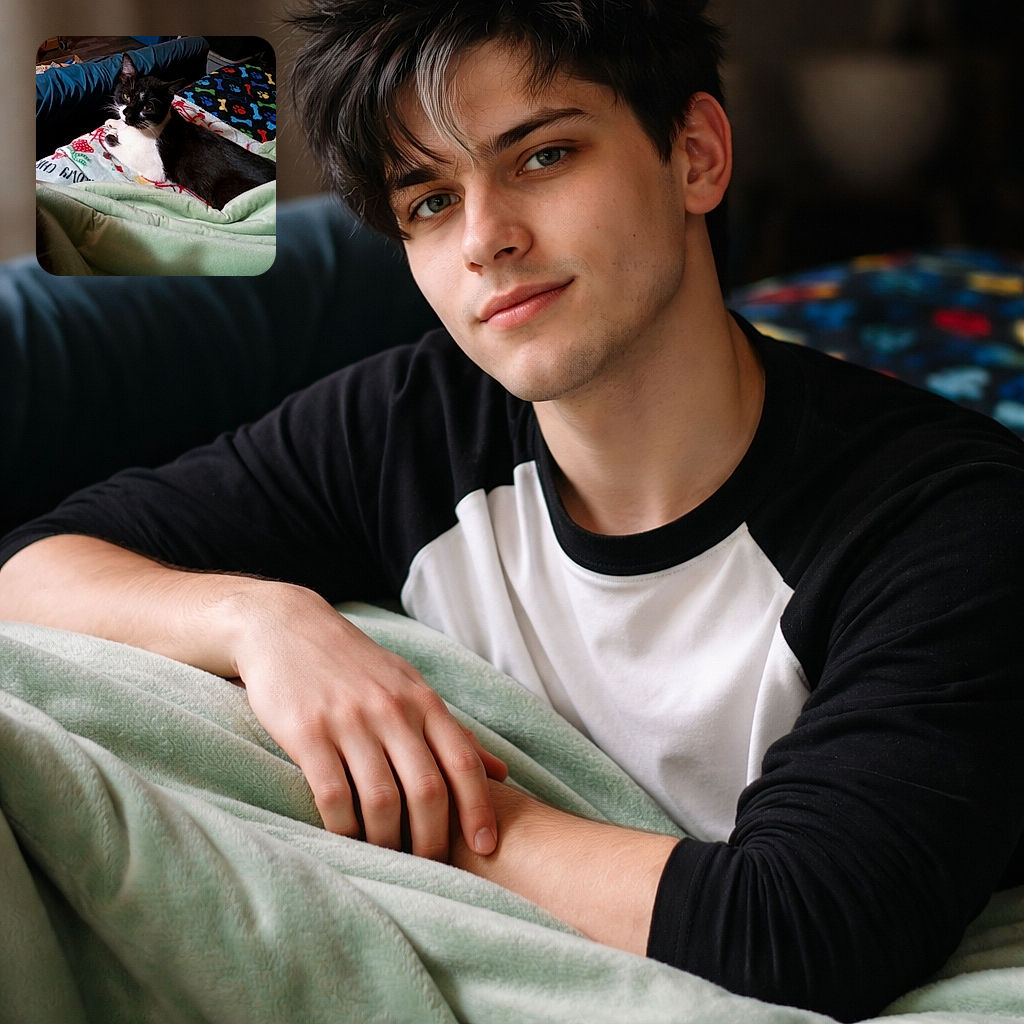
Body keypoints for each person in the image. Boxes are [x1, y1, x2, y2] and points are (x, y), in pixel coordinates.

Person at [2, 1, 1023, 1019]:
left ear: (697, 157)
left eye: (541, 158)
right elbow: (34, 567)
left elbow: (803, 929)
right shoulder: (410, 421)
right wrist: (259, 619)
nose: (486, 239)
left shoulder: (950, 521)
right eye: (430, 202)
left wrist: (432, 801)